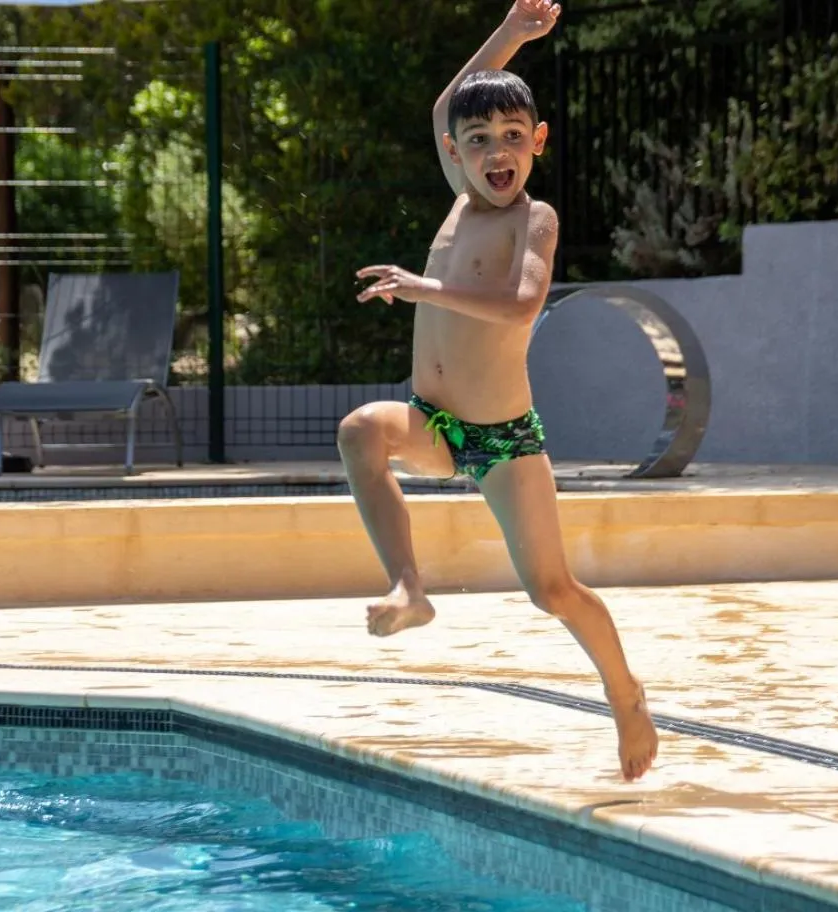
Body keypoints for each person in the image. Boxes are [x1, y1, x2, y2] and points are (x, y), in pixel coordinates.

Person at [337, 0, 658, 781]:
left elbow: (522, 306)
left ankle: (626, 694)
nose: (496, 153)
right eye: (478, 143)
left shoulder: (532, 221)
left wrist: (425, 287)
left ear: (537, 143)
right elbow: (448, 103)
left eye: (513, 138)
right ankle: (410, 588)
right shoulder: (459, 197)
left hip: (503, 439)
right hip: (431, 422)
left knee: (551, 590)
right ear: (457, 153)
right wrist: (512, 35)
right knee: (359, 431)